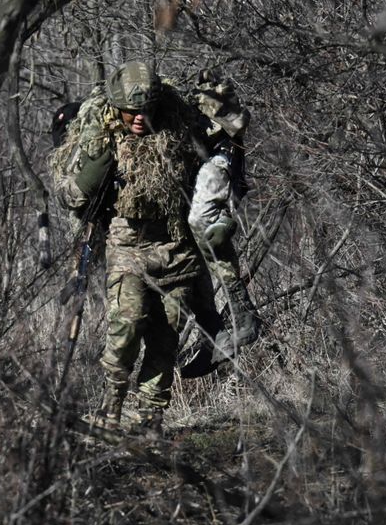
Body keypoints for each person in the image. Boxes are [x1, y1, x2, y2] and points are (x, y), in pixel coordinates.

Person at [51, 61, 224, 435]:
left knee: (165, 335)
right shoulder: (99, 133)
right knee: (126, 326)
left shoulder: (179, 130)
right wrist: (92, 177)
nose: (139, 119)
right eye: (131, 112)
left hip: (176, 247)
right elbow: (70, 194)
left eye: (145, 111)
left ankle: (150, 419)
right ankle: (110, 411)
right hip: (127, 244)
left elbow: (213, 166)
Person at [179, 75, 262, 378]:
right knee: (180, 252)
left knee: (203, 224)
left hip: (217, 158)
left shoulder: (191, 95)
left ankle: (244, 315)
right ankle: (211, 334)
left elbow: (237, 123)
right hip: (186, 169)